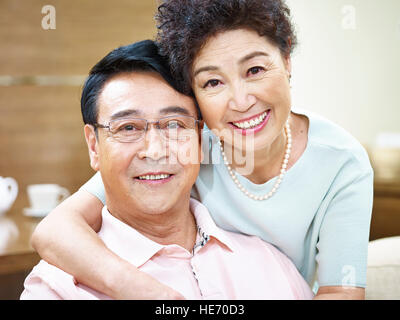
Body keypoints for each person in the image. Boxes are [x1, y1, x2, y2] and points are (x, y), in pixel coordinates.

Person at [30, 0, 373, 300]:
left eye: (254, 70)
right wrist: (144, 291)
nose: (240, 101)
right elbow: (55, 229)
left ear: (286, 61)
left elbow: (341, 289)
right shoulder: (188, 149)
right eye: (213, 82)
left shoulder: (342, 163)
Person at [21, 40, 313, 300]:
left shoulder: (268, 263)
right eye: (128, 128)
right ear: (94, 146)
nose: (155, 150)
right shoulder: (58, 289)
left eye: (174, 125)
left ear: (201, 140)